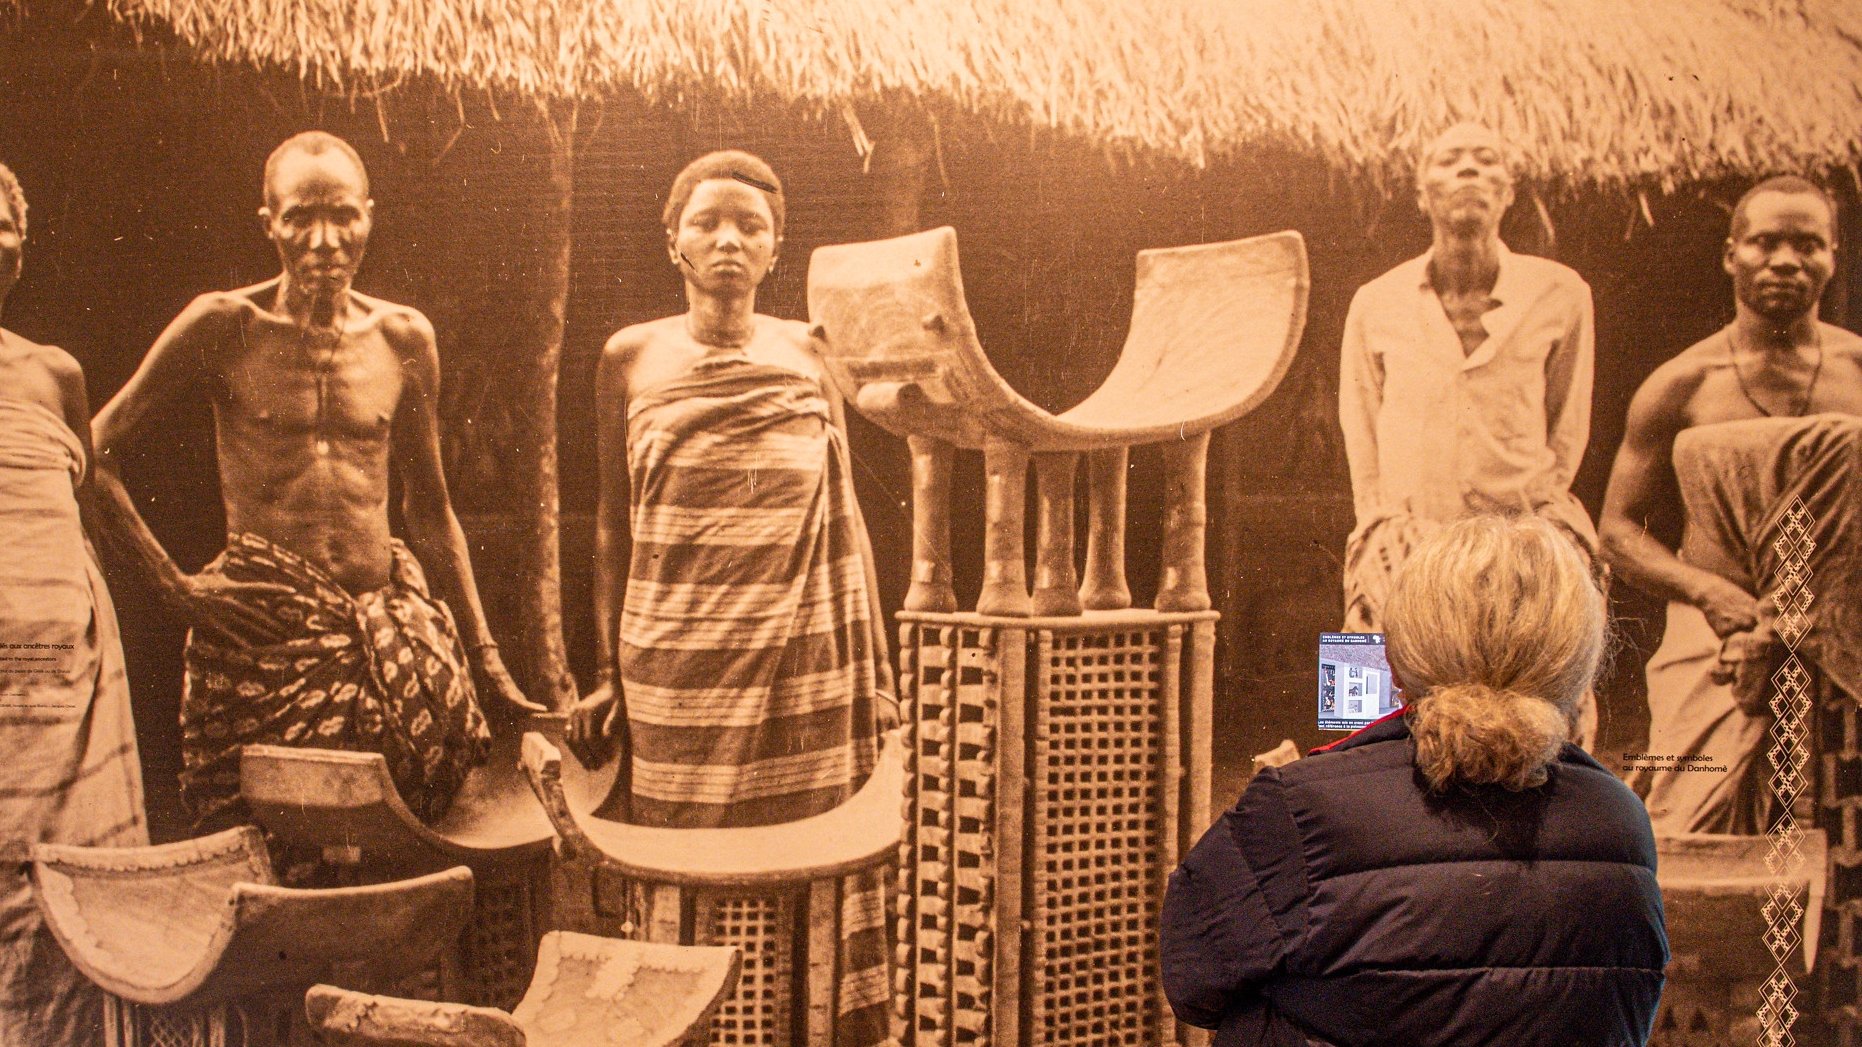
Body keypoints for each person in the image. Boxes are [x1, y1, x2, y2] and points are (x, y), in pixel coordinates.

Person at [91, 131, 534, 835]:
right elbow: (92, 450)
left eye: (343, 217)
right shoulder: (223, 326)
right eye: (301, 217)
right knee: (267, 849)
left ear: (368, 216)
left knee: (394, 841)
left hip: (382, 639)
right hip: (262, 645)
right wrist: (176, 589)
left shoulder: (404, 338)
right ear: (269, 223)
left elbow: (431, 507)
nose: (324, 240)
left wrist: (485, 654)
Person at [565, 150, 894, 1044]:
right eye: (708, 222)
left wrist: (882, 674)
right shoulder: (628, 355)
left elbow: (848, 509)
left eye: (749, 226)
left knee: (814, 855)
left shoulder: (808, 348)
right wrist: (604, 672)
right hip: (676, 669)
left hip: (810, 660)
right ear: (672, 240)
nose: (727, 241)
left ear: (777, 247)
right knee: (683, 866)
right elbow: (609, 524)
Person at [1161, 515, 1667, 1046]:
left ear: (1397, 660)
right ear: (1577, 664)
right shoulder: (1620, 815)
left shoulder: (1300, 805)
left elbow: (1194, 982)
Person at [1600, 175, 1862, 833]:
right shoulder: (1683, 383)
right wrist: (1708, 592)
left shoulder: (1858, 373)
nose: (1784, 260)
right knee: (1691, 824)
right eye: (1765, 242)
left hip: (1846, 631)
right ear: (1731, 254)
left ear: (1833, 255)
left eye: (1807, 244)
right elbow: (1617, 529)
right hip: (1717, 635)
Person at [1338, 123, 1597, 633]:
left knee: (1537, 698)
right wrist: (1384, 528)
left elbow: (1568, 428)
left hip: (1521, 545)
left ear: (1507, 192)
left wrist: (1533, 526)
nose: (1469, 169)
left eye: (1486, 158)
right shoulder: (1376, 301)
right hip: (1401, 546)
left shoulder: (1561, 293)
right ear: (1421, 193)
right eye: (1450, 159)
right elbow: (1361, 427)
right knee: (1358, 703)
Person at [0, 161, 147, 1047]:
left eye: (1, 226)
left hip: (65, 704)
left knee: (64, 899)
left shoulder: (55, 375)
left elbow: (88, 511)